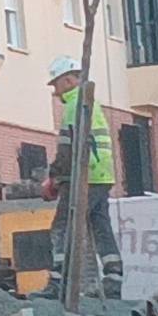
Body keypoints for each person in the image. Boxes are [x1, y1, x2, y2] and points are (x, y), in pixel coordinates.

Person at [35, 56, 124, 300]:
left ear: (68, 80)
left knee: (62, 227)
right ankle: (114, 279)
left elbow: (67, 149)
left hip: (83, 176)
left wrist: (54, 179)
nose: (55, 91)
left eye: (56, 84)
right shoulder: (92, 104)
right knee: (100, 225)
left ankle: (57, 282)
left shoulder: (74, 106)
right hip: (102, 175)